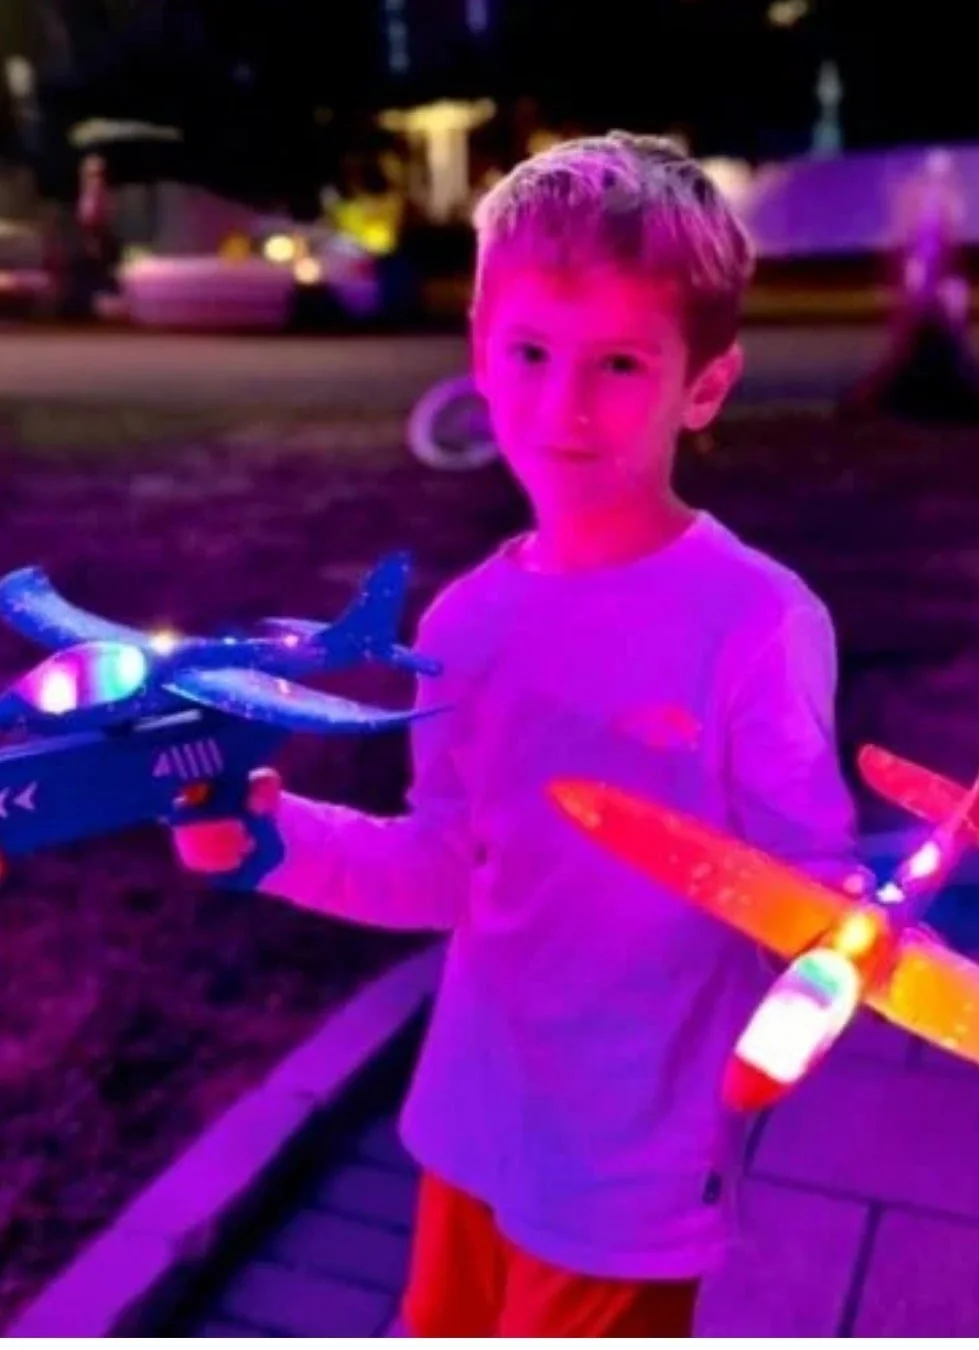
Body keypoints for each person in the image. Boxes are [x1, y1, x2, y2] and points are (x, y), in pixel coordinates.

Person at [172, 130, 868, 1337]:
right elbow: (447, 862)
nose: (562, 404)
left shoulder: (755, 623)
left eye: (618, 364)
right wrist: (278, 843)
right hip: (474, 1125)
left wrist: (845, 954)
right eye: (533, 353)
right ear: (481, 361)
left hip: (631, 1166)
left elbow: (814, 894)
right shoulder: (469, 621)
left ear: (703, 386)